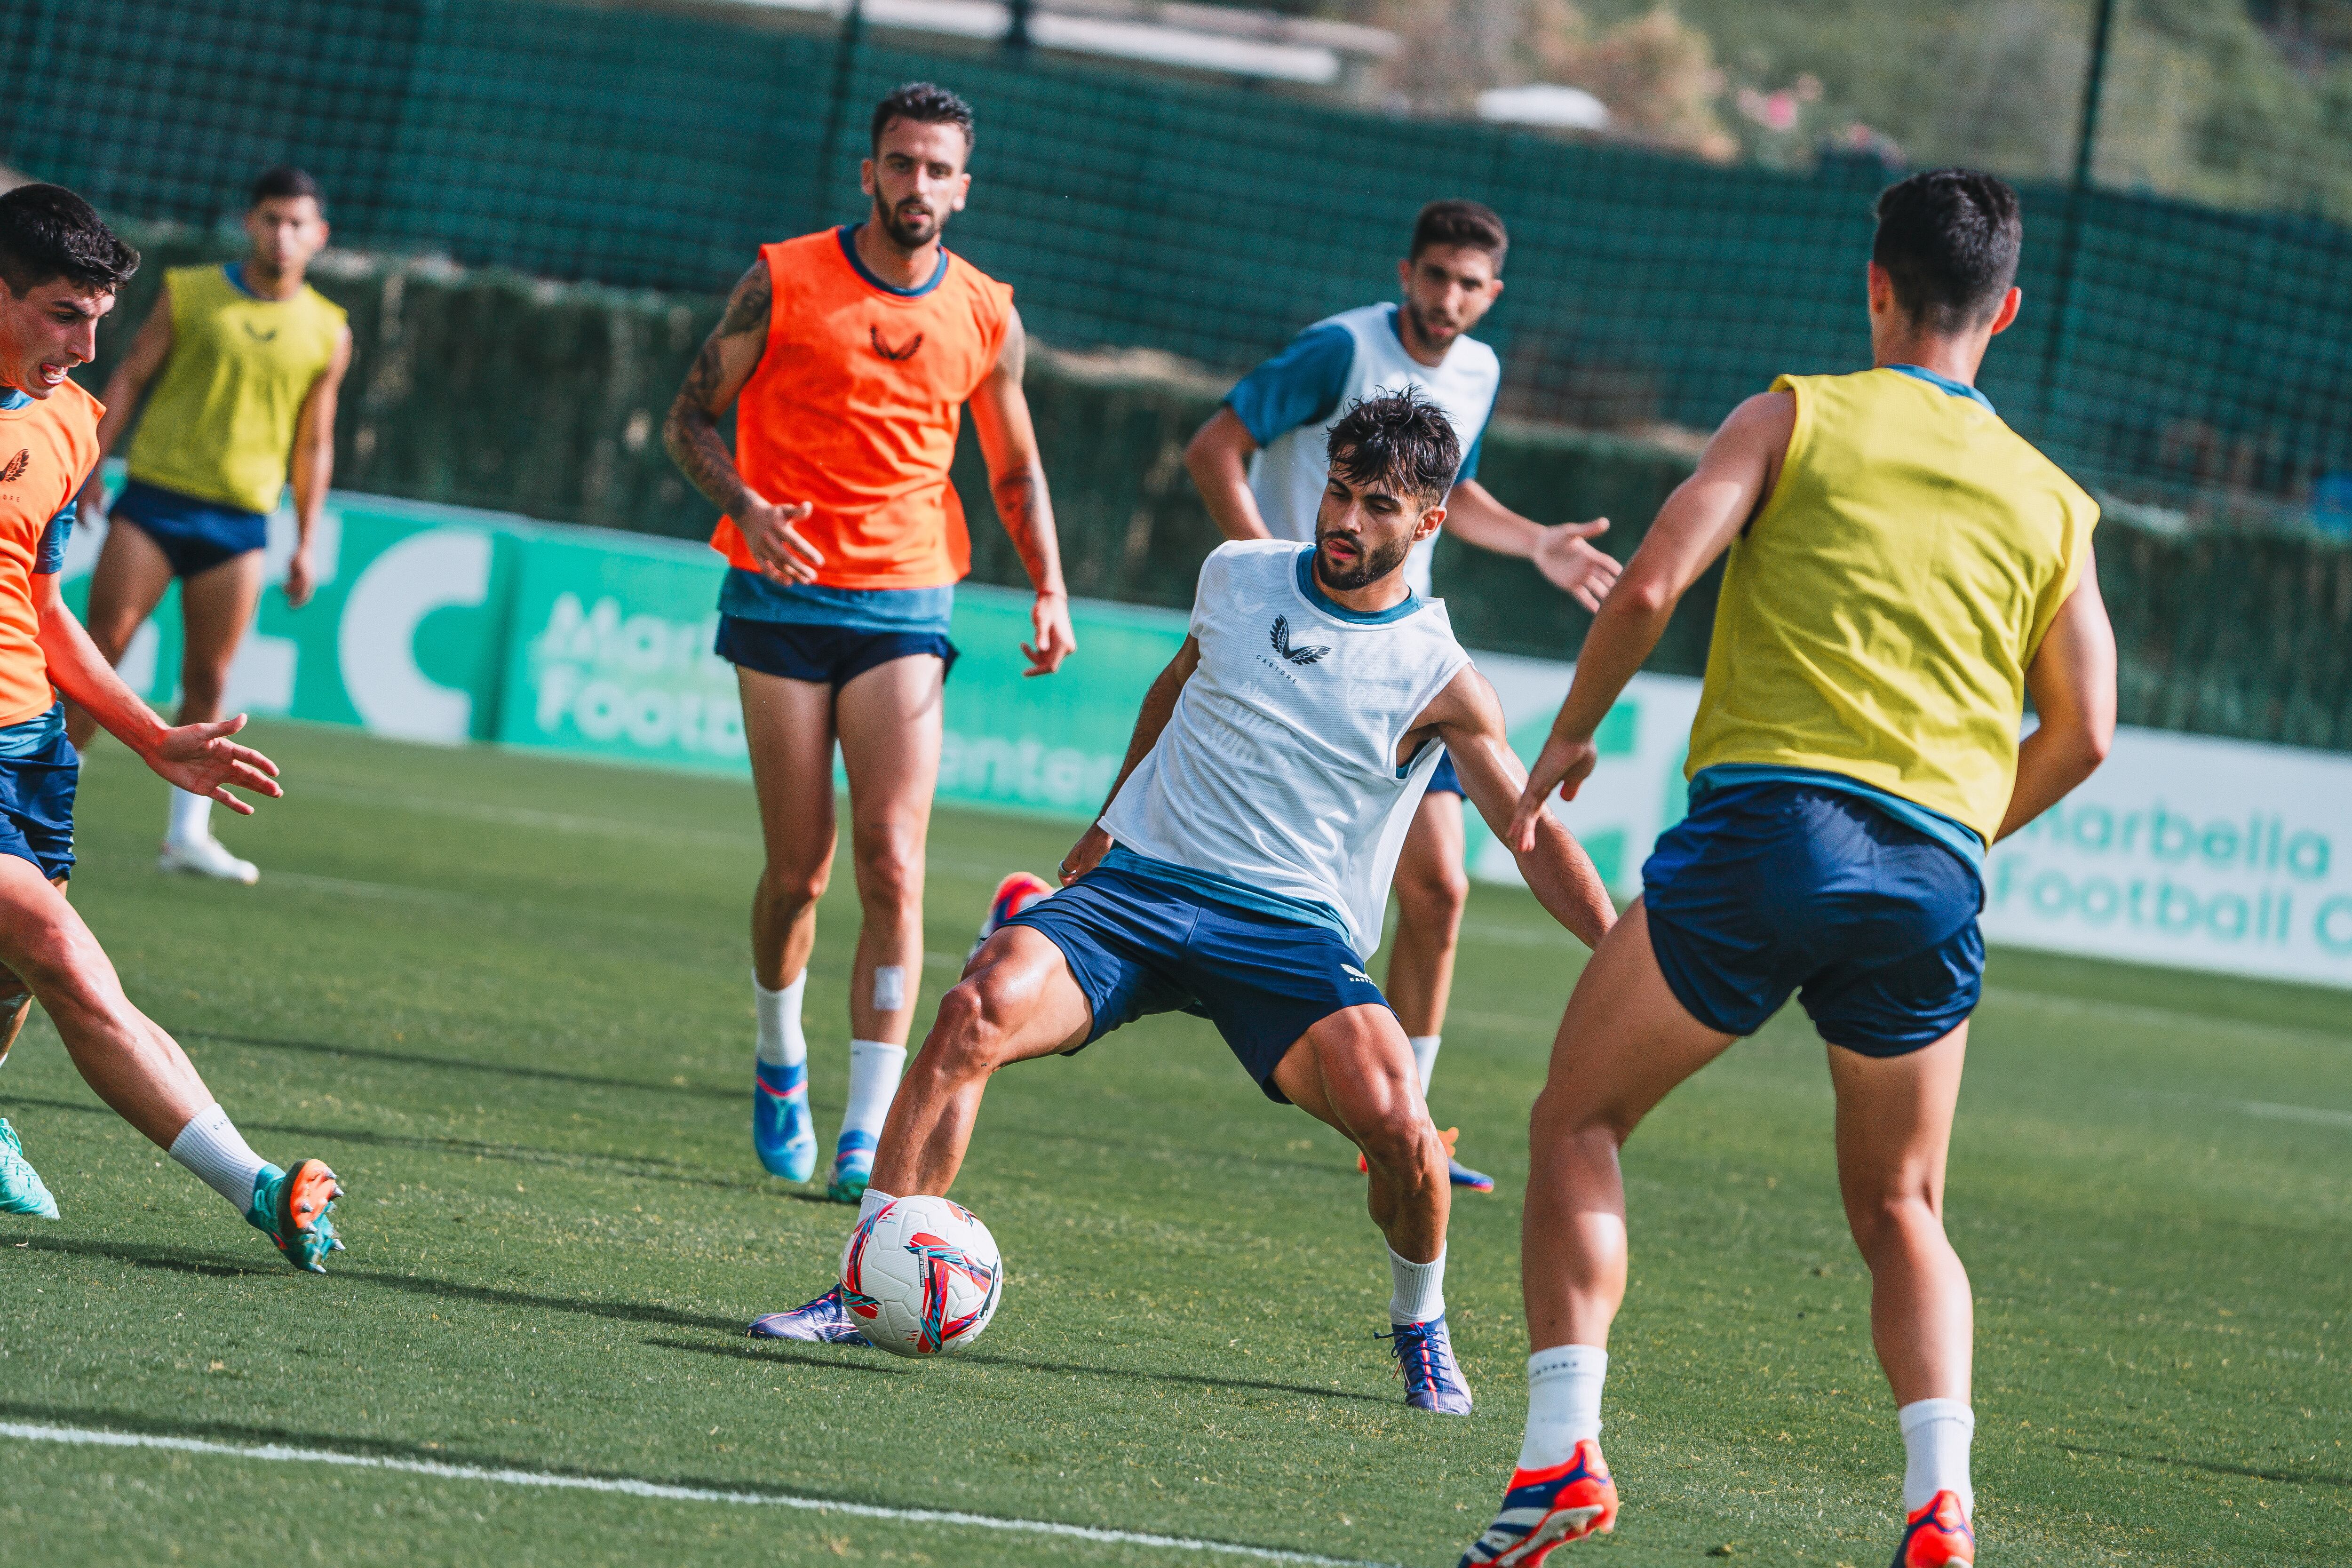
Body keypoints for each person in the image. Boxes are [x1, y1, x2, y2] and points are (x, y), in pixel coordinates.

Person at [1457, 171, 2115, 1568]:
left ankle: (1557, 1454)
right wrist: (1957, 828)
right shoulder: (2056, 500)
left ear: (1872, 285)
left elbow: (1647, 585)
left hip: (1771, 837)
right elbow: (2088, 730)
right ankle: (1943, 1503)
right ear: (2005, 307)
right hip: (1933, 875)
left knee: (1578, 1118)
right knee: (1903, 1206)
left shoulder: (1793, 414)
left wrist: (1569, 734)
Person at [747, 392, 1617, 1412]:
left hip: (1290, 937)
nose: (1345, 521)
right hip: (1136, 895)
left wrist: (1618, 949)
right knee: (970, 1009)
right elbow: (1175, 682)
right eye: (1338, 491)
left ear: (1428, 523)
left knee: (1404, 1131)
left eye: (1378, 505)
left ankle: (1419, 1323)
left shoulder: (1441, 673)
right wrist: (1108, 821)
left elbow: (1532, 825)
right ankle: (864, 1280)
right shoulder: (1237, 574)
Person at [664, 82, 1075, 1203]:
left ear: (963, 186)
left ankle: (864, 1127)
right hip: (779, 596)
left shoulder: (988, 309)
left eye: (939, 169)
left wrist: (1049, 585)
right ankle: (778, 1055)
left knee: (894, 863)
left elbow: (1015, 464)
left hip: (906, 599)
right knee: (799, 871)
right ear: (869, 173)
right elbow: (687, 416)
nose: (919, 186)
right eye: (901, 164)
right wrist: (745, 506)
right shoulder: (784, 275)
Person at [1184, 199, 1621, 1194]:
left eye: (1470, 286)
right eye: (1435, 278)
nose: (1449, 301)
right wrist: (1272, 574)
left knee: (1443, 886)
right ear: (1406, 272)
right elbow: (1215, 445)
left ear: (1492, 293)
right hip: (1301, 654)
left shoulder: (1479, 370)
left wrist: (1535, 541)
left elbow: (1443, 492)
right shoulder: (1339, 349)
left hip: (1402, 666)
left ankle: (1410, 1123)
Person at [0, 183, 345, 1269]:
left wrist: (153, 736)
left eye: (99, 319)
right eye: (64, 313)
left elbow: (45, 606)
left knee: (12, 975)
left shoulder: (71, 423)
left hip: (31, 746)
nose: (90, 345)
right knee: (61, 952)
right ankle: (260, 1185)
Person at [71, 166, 351, 884]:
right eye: (270, 219)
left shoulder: (328, 329)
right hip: (157, 501)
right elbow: (130, 373)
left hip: (242, 521)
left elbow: (315, 441)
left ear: (318, 237)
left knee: (209, 677)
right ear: (249, 223)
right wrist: (95, 463)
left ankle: (187, 836)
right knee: (100, 656)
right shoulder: (189, 291)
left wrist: (307, 539)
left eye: (297, 223)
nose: (281, 235)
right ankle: (35, 800)